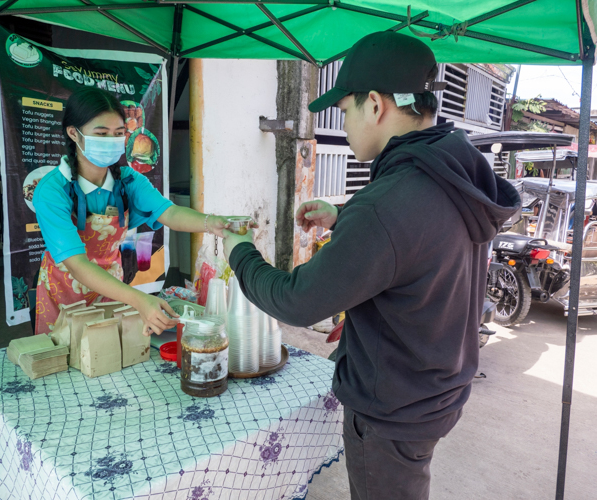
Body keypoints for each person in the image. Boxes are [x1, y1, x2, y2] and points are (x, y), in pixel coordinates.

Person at [223, 31, 521, 499]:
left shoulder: (389, 201)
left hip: (395, 408)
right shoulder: (451, 170)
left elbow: (298, 301)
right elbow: (422, 243)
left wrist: (240, 252)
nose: (343, 127)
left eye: (344, 112)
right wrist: (344, 219)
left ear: (376, 106)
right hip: (438, 387)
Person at [33, 87, 236, 336]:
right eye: (101, 133)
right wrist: (140, 300)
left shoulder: (128, 181)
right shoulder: (52, 190)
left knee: (110, 353)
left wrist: (211, 223)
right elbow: (77, 265)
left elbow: (169, 213)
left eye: (118, 133)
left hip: (112, 290)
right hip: (63, 293)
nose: (111, 140)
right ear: (74, 133)